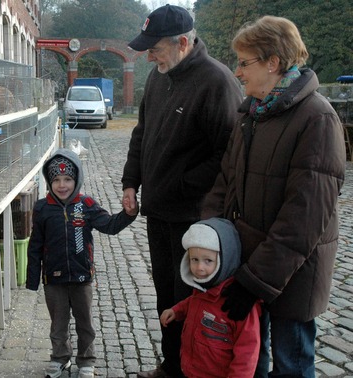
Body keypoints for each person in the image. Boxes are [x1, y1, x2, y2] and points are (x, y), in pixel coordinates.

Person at [201, 16, 346, 377]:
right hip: (249, 269)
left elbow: (304, 217)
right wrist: (209, 238)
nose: (237, 72)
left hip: (292, 278)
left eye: (244, 63)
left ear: (273, 62)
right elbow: (226, 181)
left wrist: (257, 280)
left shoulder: (317, 118)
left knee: (291, 366)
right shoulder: (251, 113)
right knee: (252, 363)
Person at [121, 5, 243, 377]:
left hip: (195, 216)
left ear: (184, 43)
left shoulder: (217, 82)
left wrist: (181, 183)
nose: (148, 55)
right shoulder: (160, 75)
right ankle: (172, 365)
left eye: (155, 48)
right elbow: (142, 133)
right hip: (159, 212)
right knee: (165, 295)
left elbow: (228, 155)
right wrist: (131, 181)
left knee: (192, 298)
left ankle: (195, 369)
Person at [26, 148, 137, 378]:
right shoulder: (42, 208)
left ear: (76, 179)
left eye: (68, 179)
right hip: (53, 279)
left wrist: (128, 215)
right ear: (49, 181)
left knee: (84, 322)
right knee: (58, 325)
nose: (62, 185)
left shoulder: (85, 204)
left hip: (82, 277)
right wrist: (33, 278)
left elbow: (109, 225)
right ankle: (60, 358)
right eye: (56, 180)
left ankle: (86, 360)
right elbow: (35, 245)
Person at [160, 218, 261, 378]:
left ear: (224, 260)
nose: (200, 267)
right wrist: (177, 311)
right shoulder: (201, 288)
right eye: (194, 260)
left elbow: (247, 353)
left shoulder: (237, 303)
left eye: (208, 261)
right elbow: (193, 304)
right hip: (191, 370)